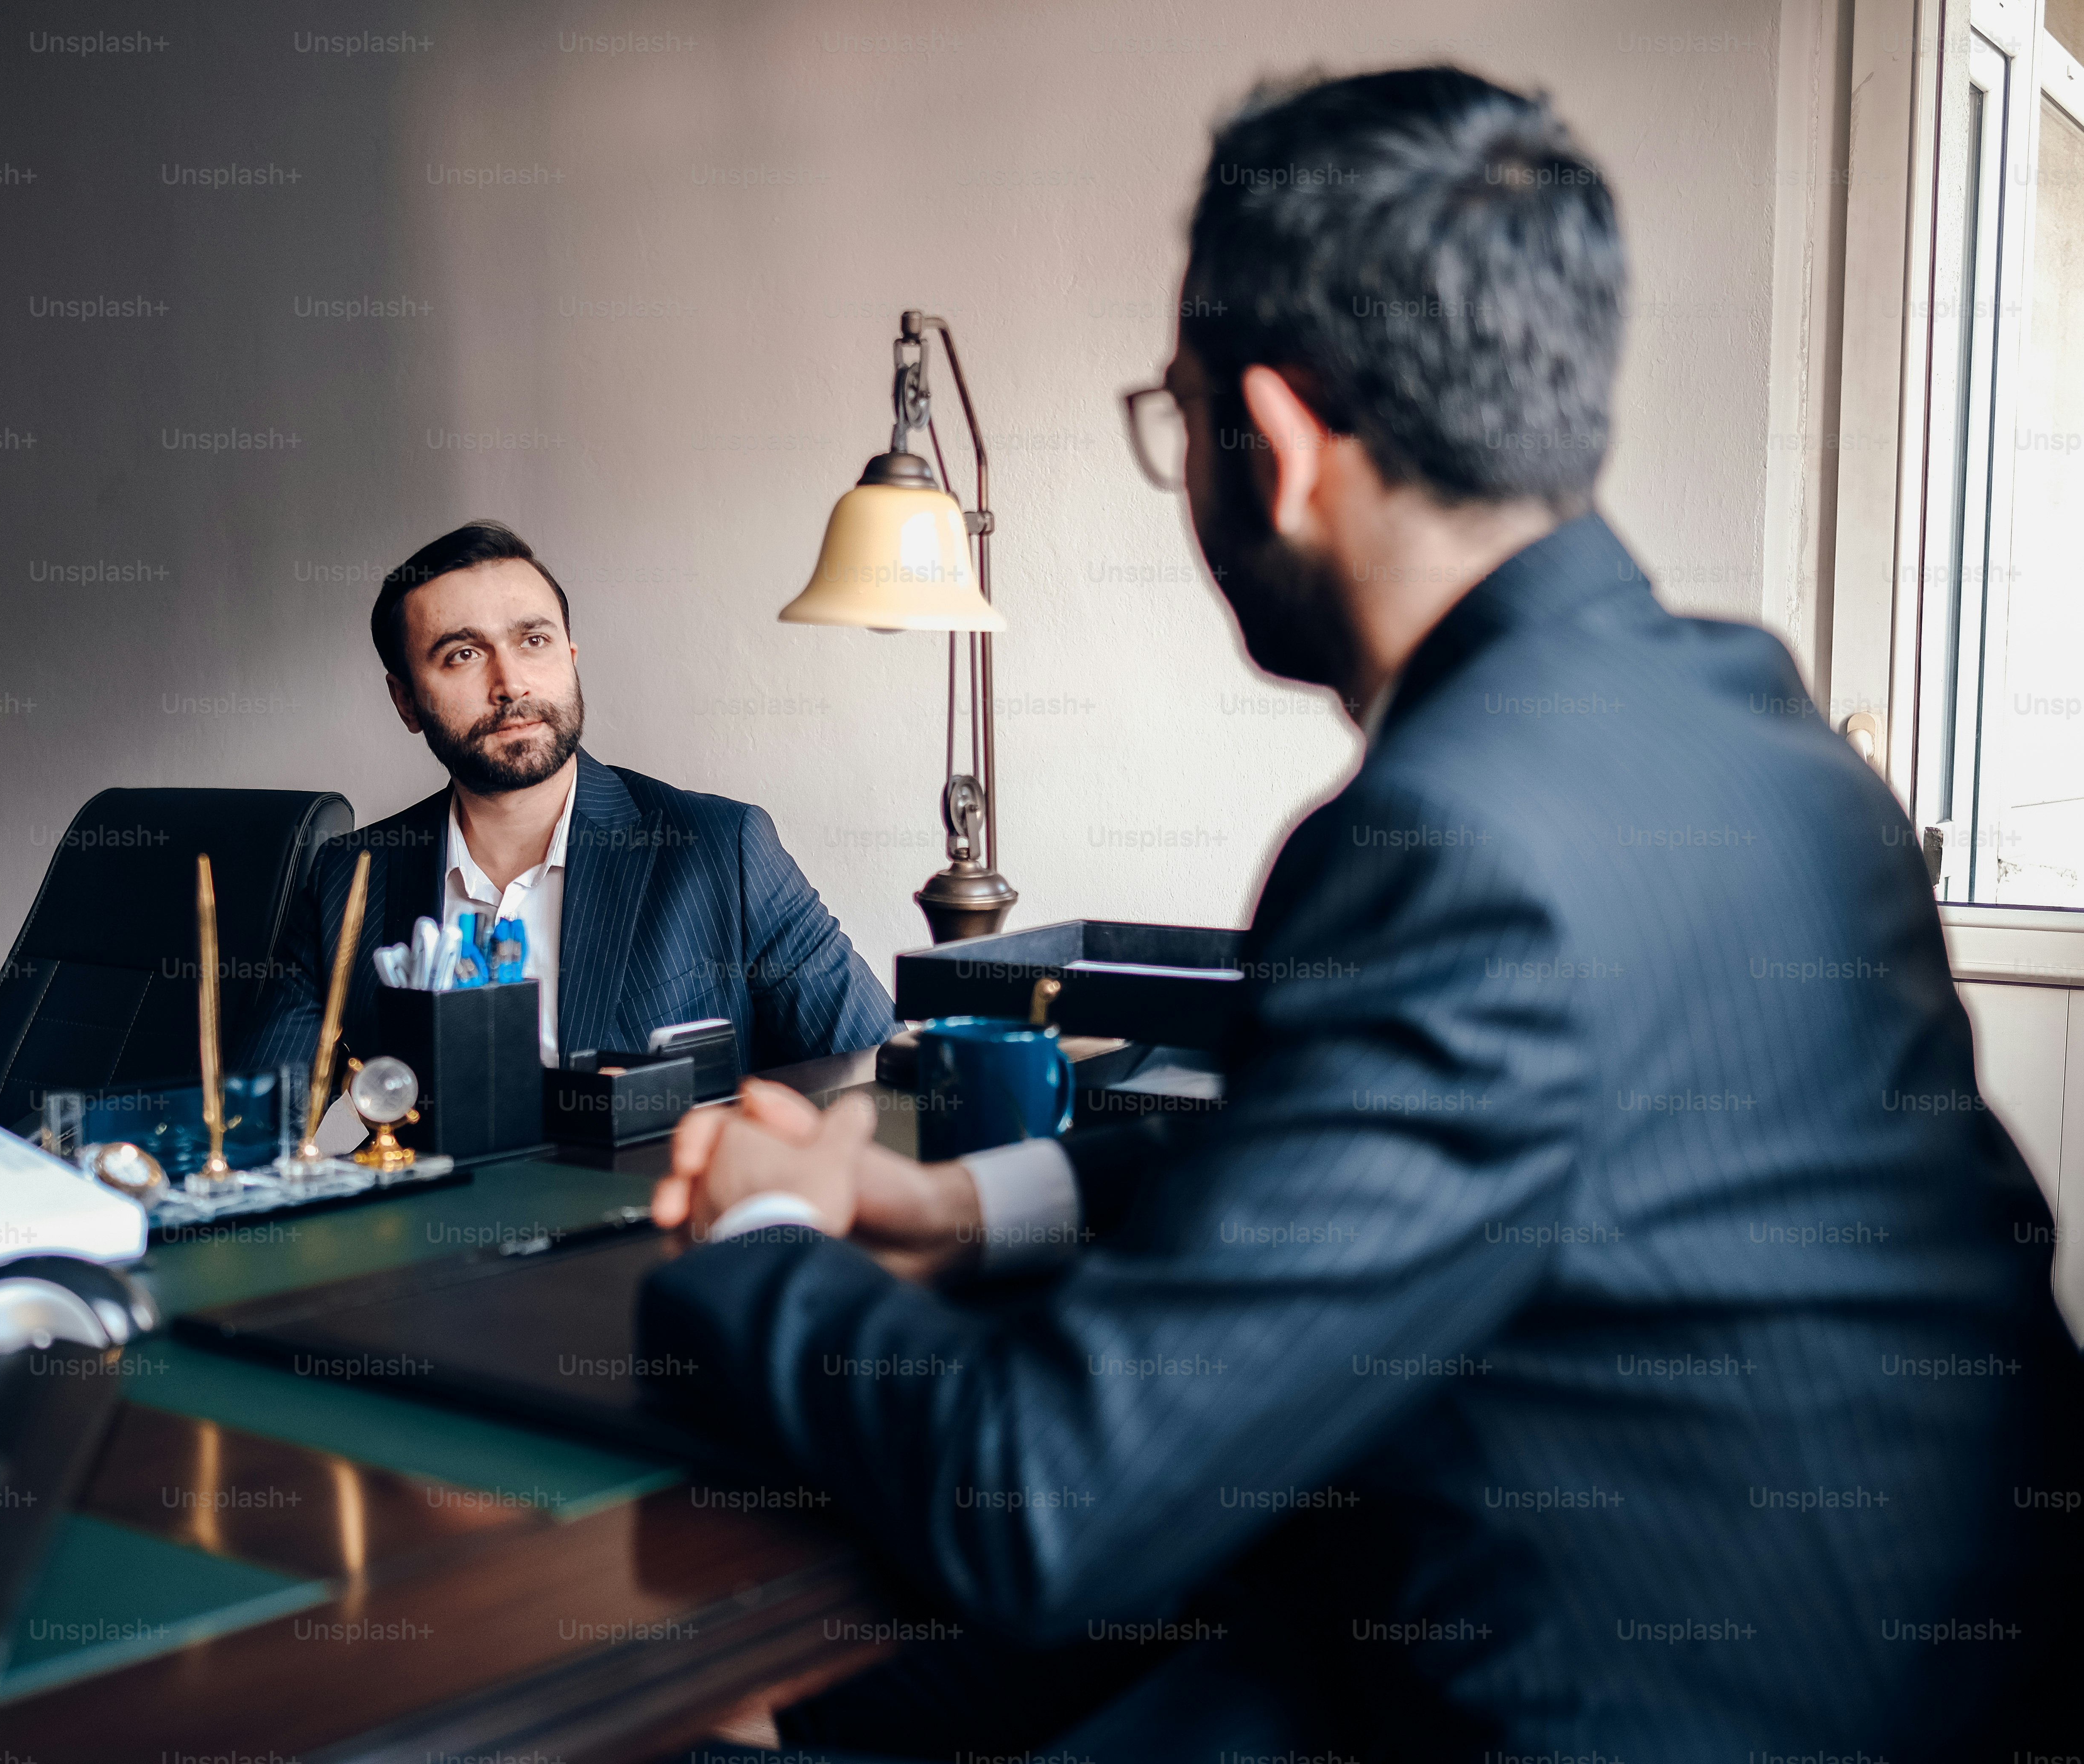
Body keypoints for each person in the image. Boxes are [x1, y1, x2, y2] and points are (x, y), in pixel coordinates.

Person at [641, 67, 2078, 1761]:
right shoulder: (1756, 729)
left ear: (1290, 436)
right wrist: (949, 1197)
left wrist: (758, 1240)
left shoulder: (1448, 838)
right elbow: (1375, 1162)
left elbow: (1049, 1492)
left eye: (1180, 422)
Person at [244, 519, 894, 1084]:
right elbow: (253, 1121)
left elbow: (877, 1074)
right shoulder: (347, 878)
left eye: (534, 641)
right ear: (406, 700)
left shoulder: (725, 850)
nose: (511, 684)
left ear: (571, 659)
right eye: (463, 654)